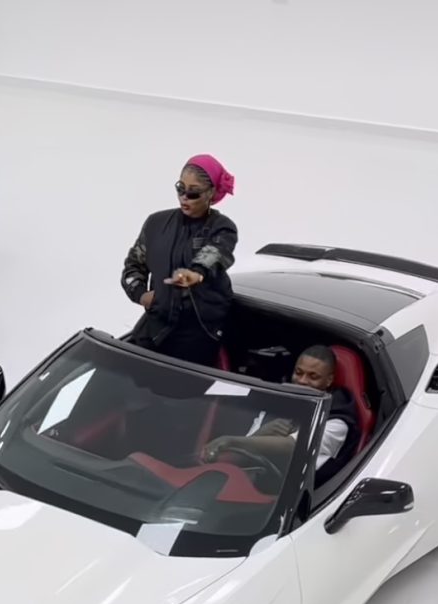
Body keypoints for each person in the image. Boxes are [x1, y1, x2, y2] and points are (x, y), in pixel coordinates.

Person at [122, 154, 237, 367]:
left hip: (199, 333)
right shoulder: (156, 223)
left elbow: (216, 253)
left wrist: (196, 272)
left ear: (210, 192)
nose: (184, 197)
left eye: (193, 192)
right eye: (180, 188)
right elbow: (133, 266)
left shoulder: (222, 227)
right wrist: (141, 295)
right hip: (156, 325)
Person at [203, 345, 361, 482]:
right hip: (255, 480)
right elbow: (247, 445)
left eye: (313, 377)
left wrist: (231, 441)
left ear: (329, 380)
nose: (302, 381)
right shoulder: (279, 402)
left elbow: (296, 446)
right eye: (299, 373)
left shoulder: (338, 420)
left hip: (306, 497)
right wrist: (262, 433)